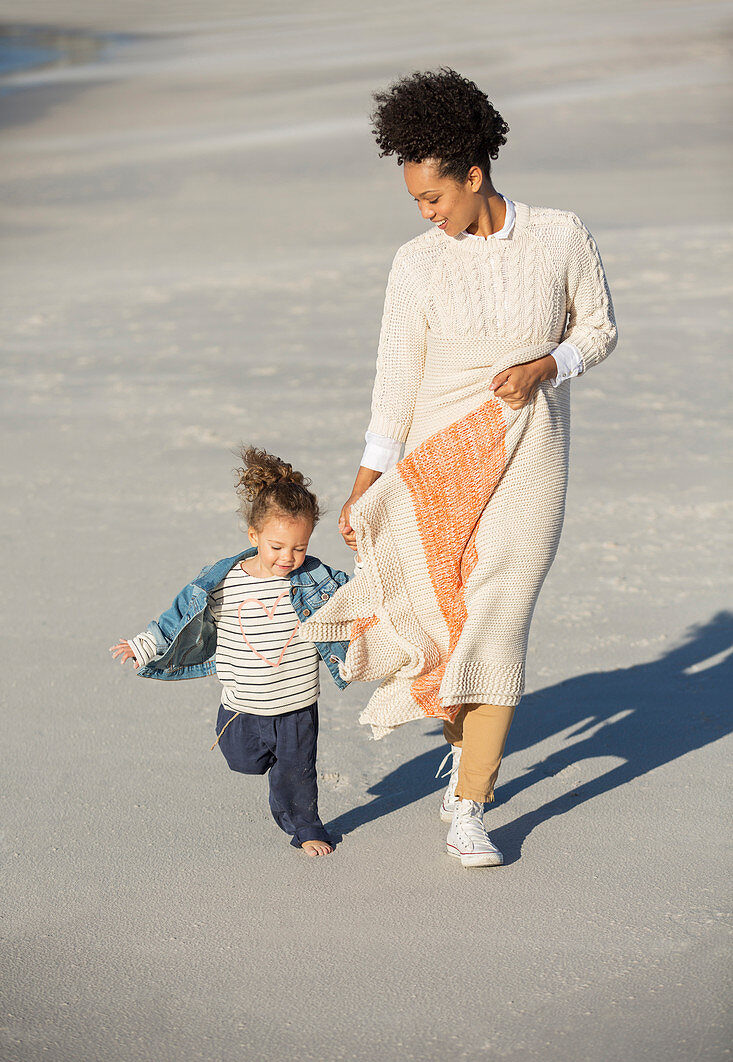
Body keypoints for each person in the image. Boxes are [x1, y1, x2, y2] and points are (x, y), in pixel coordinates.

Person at [300, 69, 617, 867]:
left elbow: (601, 329)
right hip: (436, 460)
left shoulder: (560, 234)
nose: (426, 214)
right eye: (415, 202)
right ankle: (462, 750)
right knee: (447, 620)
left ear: (474, 175)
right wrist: (368, 479)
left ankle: (471, 804)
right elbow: (393, 379)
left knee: (500, 615)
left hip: (530, 453)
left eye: (433, 198)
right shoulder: (416, 263)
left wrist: (549, 365)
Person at [110, 447, 351, 857]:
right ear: (253, 535)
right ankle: (269, 765)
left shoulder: (316, 578)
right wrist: (144, 645)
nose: (288, 558)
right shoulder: (224, 581)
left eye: (299, 547)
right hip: (242, 704)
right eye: (276, 547)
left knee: (297, 774)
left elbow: (357, 596)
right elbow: (182, 615)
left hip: (296, 705)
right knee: (244, 760)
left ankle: (306, 828)